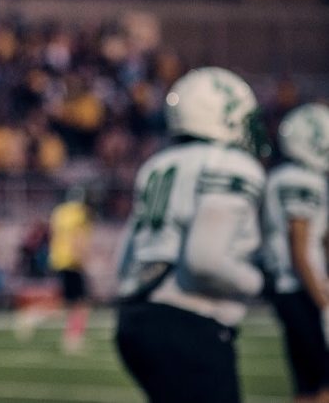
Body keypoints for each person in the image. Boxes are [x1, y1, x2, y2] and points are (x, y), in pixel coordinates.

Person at [114, 66, 267, 403]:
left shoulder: (158, 164)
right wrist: (259, 281)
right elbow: (205, 261)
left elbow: (123, 260)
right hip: (187, 321)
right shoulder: (229, 164)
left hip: (135, 320)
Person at [260, 102, 329, 403]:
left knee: (306, 384)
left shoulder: (281, 176)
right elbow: (299, 247)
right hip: (300, 287)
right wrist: (324, 301)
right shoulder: (302, 179)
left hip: (287, 287)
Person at [48, 186, 92, 353]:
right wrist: (81, 258)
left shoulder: (59, 212)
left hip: (59, 259)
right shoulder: (79, 214)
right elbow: (77, 237)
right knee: (81, 303)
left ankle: (70, 337)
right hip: (73, 261)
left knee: (69, 302)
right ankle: (73, 339)